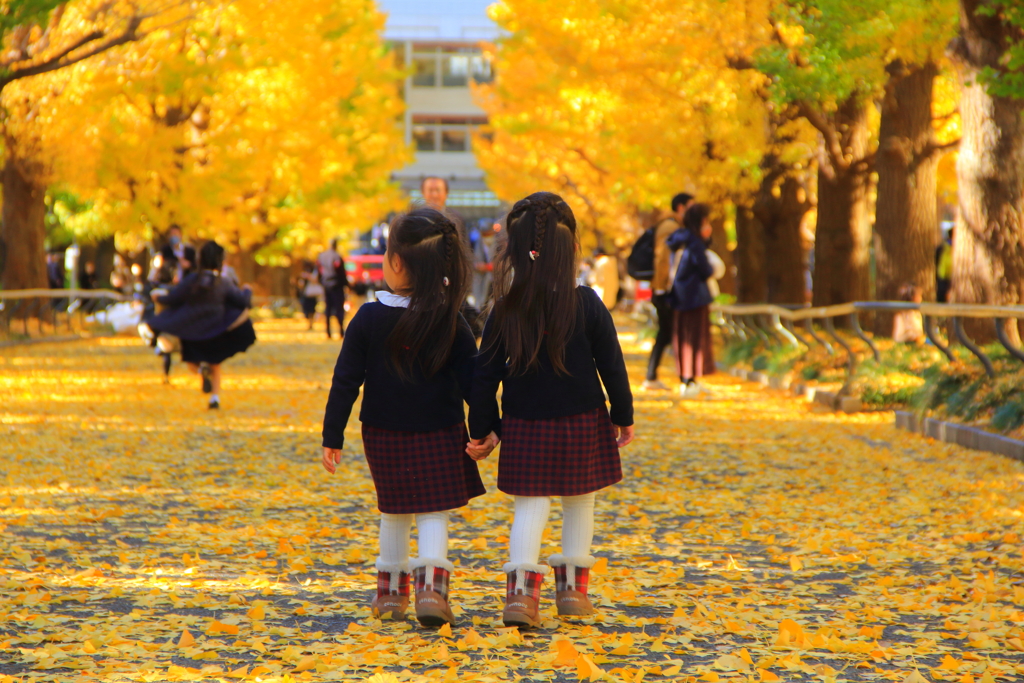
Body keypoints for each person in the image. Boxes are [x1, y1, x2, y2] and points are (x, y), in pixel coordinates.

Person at [466, 192, 635, 629]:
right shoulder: (587, 304)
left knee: (530, 507)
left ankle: (521, 597)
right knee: (581, 503)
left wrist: (483, 428)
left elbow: (484, 377)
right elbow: (611, 364)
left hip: (524, 425)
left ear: (514, 252)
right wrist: (623, 413)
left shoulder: (505, 310)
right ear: (571, 249)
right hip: (583, 420)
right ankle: (573, 593)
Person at [321, 207, 483, 628]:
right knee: (433, 511)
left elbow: (345, 380)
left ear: (394, 262)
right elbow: (475, 381)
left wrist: (332, 435)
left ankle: (390, 596)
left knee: (393, 511)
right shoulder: (451, 319)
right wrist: (487, 428)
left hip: (383, 432)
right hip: (442, 432)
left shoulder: (369, 318)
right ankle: (432, 589)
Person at [148, 241, 256, 409]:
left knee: (192, 361)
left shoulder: (192, 280)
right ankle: (214, 398)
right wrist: (248, 290)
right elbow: (242, 301)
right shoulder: (223, 282)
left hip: (192, 329)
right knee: (215, 364)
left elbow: (174, 297)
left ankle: (200, 372)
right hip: (216, 329)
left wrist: (158, 299)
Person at [643, 193, 693, 392]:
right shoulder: (671, 227)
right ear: (681, 207)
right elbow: (663, 259)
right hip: (665, 290)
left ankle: (656, 376)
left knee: (667, 333)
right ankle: (684, 379)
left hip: (663, 288)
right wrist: (664, 286)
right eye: (691, 206)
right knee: (672, 332)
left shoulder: (672, 225)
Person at [667, 203, 715, 399]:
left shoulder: (678, 240)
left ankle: (685, 379)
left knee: (683, 338)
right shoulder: (694, 242)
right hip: (694, 297)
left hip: (678, 296)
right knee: (695, 338)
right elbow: (705, 270)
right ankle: (691, 379)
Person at [317, 238, 349, 340]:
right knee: (339, 309)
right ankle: (341, 331)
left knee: (328, 309)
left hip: (326, 285)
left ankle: (328, 332)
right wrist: (346, 285)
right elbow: (341, 273)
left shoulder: (322, 257)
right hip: (337, 286)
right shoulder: (337, 257)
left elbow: (319, 271)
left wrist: (321, 282)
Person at [471, 220, 499, 310]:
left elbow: (505, 263)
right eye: (484, 234)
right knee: (483, 305)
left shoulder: (500, 243)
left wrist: (488, 267)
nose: (487, 237)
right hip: (483, 282)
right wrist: (477, 266)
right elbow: (474, 259)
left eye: (488, 234)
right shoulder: (478, 243)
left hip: (496, 280)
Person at [296, 260, 323, 331]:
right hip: (306, 293)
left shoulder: (315, 272)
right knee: (306, 309)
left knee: (312, 309)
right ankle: (309, 322)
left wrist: (307, 276)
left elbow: (317, 279)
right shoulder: (304, 272)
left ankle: (311, 323)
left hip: (312, 293)